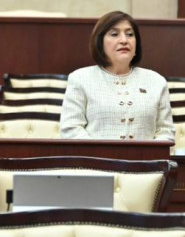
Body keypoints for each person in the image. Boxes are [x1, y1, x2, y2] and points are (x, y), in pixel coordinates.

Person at [60, 11, 174, 141]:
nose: (124, 40)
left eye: (129, 34)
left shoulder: (156, 81)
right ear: (100, 42)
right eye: (114, 34)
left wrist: (147, 153)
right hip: (95, 155)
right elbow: (71, 129)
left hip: (147, 155)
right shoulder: (80, 79)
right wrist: (100, 151)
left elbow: (165, 131)